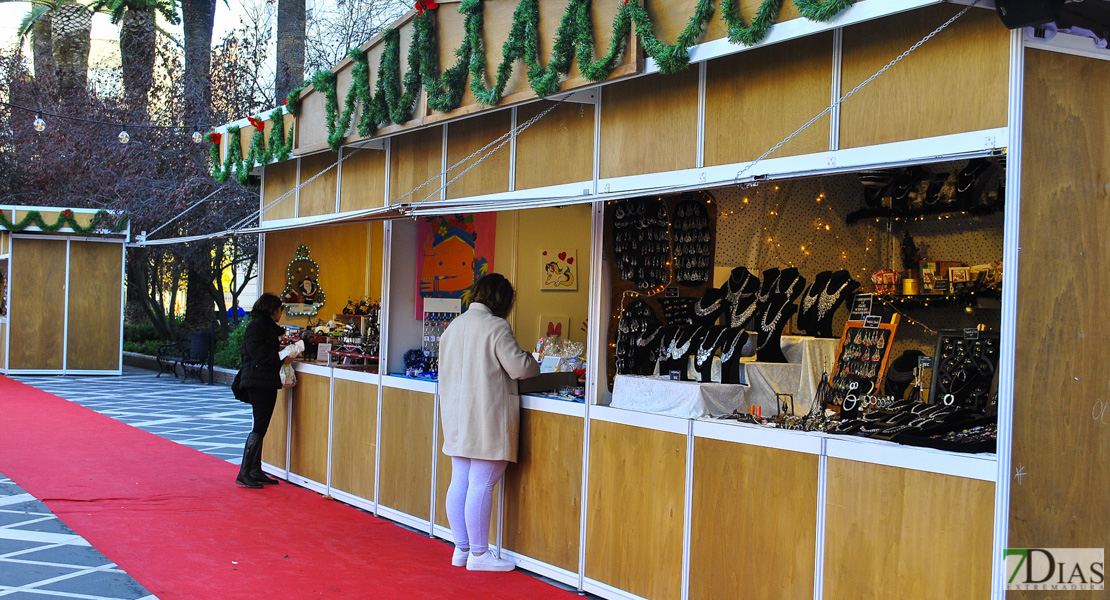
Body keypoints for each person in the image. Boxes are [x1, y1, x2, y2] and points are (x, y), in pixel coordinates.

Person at [438, 273, 540, 572]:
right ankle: (480, 555)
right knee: (482, 483)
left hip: (457, 416)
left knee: (460, 480)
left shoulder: (453, 327)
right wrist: (534, 361)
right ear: (503, 300)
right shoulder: (496, 327)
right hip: (486, 415)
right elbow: (519, 368)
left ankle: (462, 549)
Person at [234, 293, 301, 488]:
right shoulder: (257, 327)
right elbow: (258, 353)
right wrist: (281, 356)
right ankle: (245, 471)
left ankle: (254, 469)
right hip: (258, 381)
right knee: (260, 426)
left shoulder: (262, 327)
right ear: (272, 310)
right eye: (280, 309)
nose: (281, 313)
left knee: (261, 425)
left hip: (263, 380)